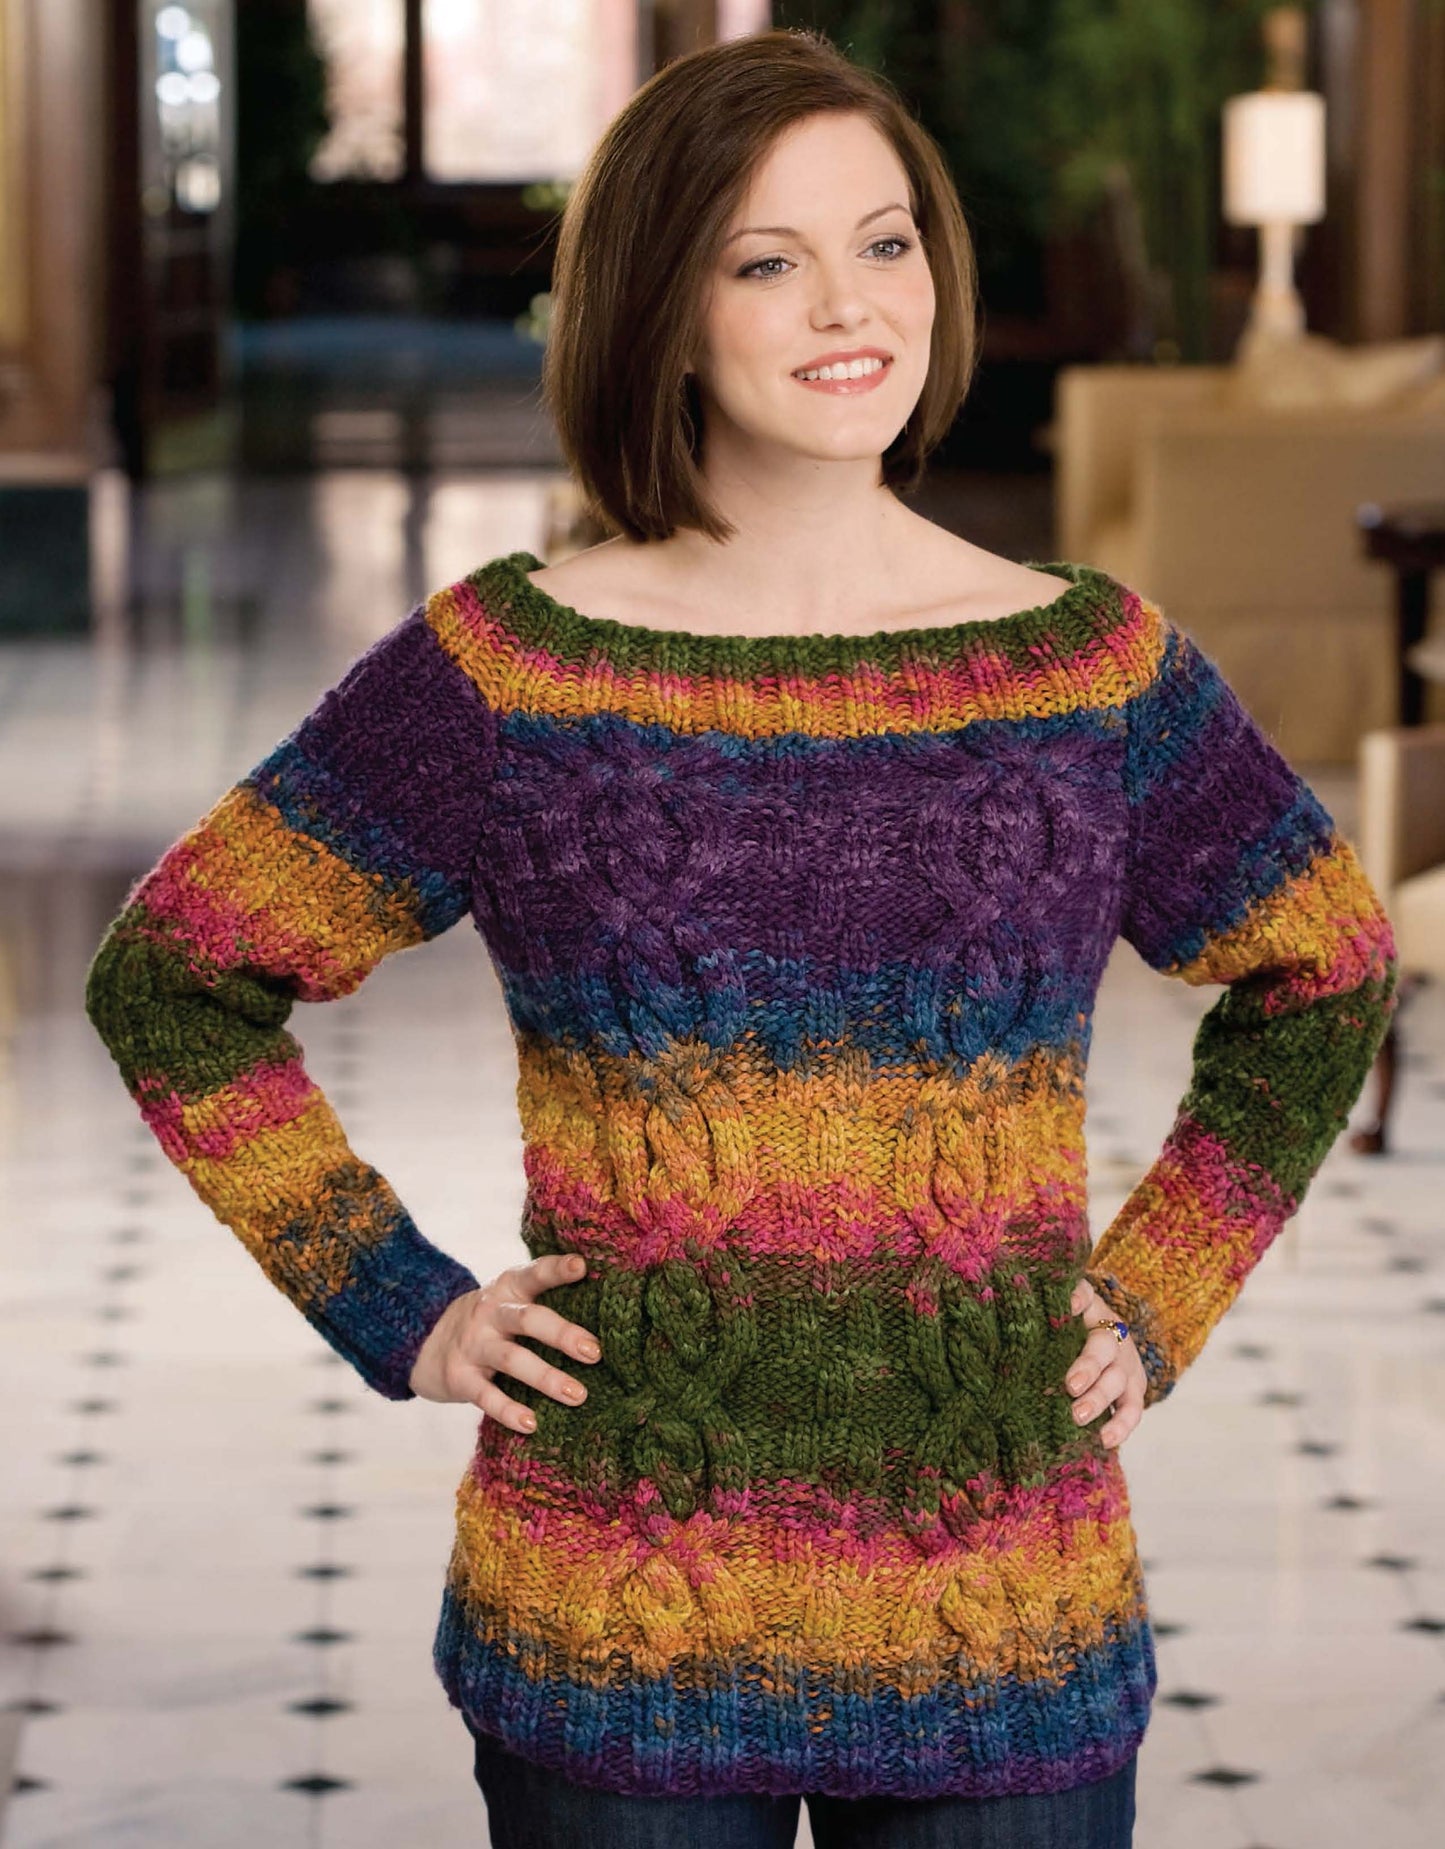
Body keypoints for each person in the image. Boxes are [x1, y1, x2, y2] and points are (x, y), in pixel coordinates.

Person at [84, 25, 1398, 1849]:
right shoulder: (512, 667)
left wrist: (1160, 1285)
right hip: (614, 1624)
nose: (848, 303)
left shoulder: (1087, 669)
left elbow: (1322, 962)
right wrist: (403, 1306)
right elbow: (177, 973)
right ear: (658, 307)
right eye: (764, 261)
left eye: (886, 241)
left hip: (995, 1613)